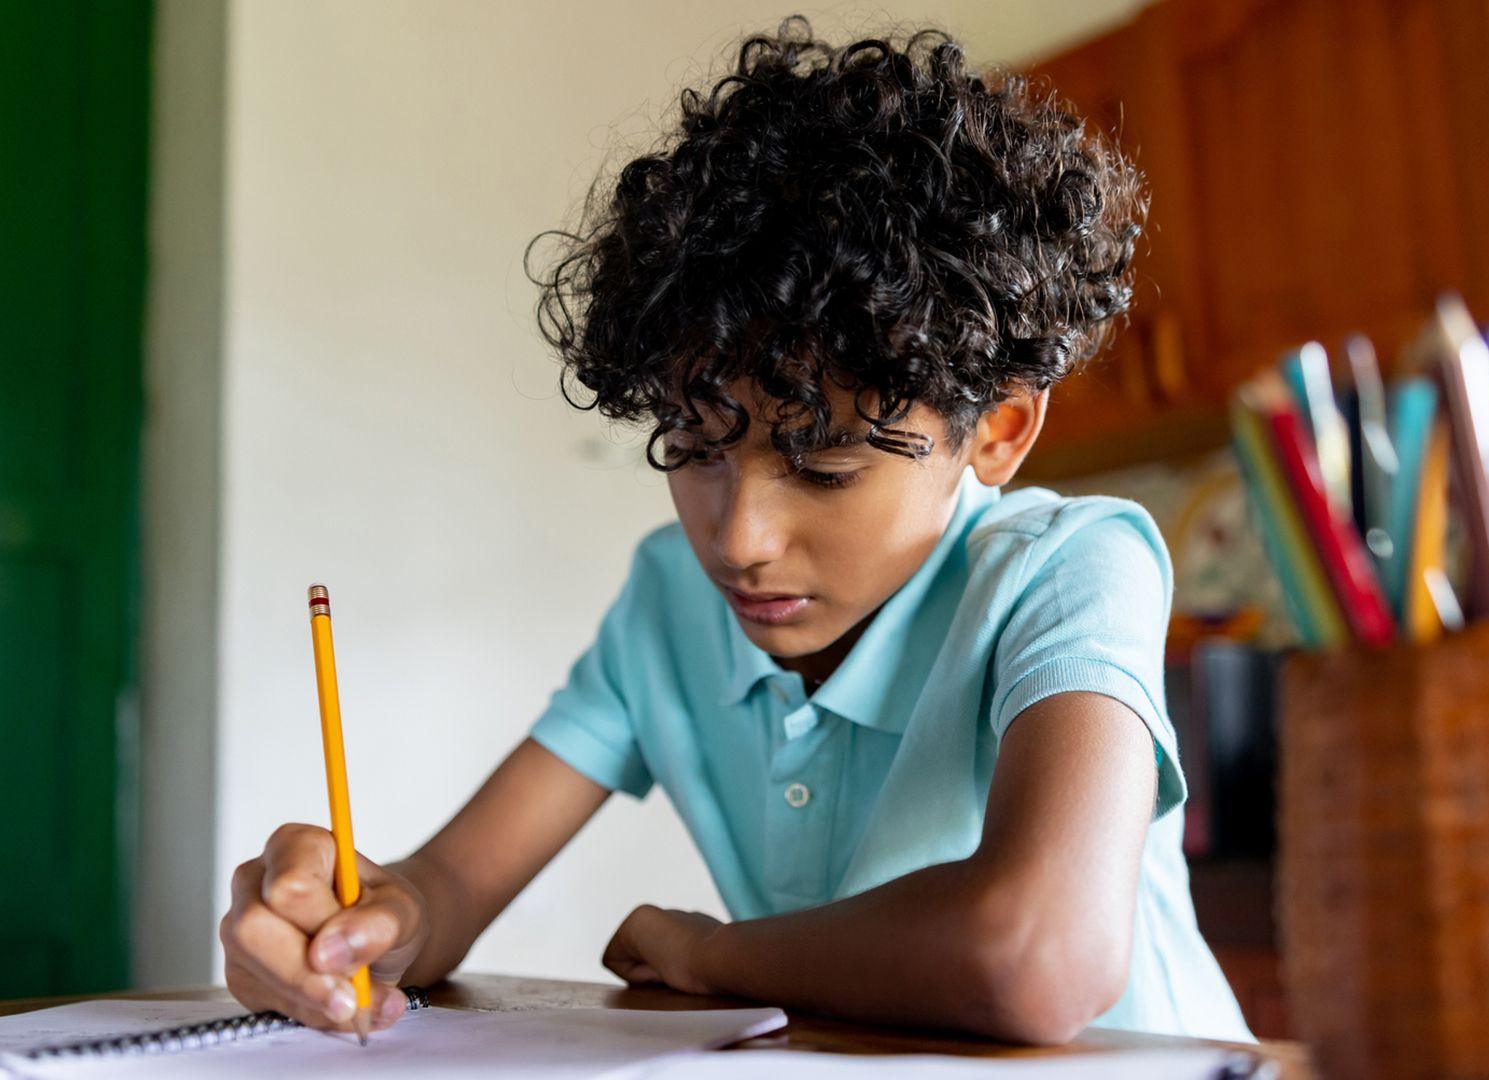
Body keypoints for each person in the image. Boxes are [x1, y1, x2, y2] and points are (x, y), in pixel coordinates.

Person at [218, 17, 1251, 1045]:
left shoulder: (1072, 570)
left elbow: (1036, 955)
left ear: (997, 431)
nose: (741, 538)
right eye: (694, 447)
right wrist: (364, 924)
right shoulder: (672, 596)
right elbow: (448, 886)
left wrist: (713, 954)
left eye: (824, 467)